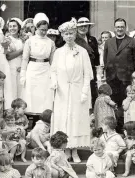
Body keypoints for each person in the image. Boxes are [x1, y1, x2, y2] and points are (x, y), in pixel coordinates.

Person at [50, 18, 93, 163]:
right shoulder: (58, 52)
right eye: (66, 34)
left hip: (77, 90)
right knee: (64, 119)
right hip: (62, 91)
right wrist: (55, 82)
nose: (69, 36)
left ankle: (75, 150)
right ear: (62, 36)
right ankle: (66, 149)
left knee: (76, 119)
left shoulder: (82, 52)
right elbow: (53, 71)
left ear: (75, 34)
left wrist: (84, 92)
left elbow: (87, 74)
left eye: (71, 33)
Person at [20, 13, 56, 113]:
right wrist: (23, 74)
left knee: (45, 94)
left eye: (45, 30)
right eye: (42, 30)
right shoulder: (30, 41)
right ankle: (31, 117)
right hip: (32, 69)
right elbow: (25, 59)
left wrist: (53, 76)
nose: (44, 32)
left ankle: (44, 116)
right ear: (36, 28)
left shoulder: (50, 42)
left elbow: (52, 61)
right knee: (32, 94)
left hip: (45, 69)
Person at [76, 17, 100, 108]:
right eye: (81, 26)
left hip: (90, 69)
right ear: (77, 28)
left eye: (85, 26)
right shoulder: (74, 39)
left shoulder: (92, 39)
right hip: (78, 70)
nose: (83, 28)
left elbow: (96, 57)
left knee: (92, 93)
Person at [6, 18, 24, 99]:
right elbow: (8, 56)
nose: (12, 28)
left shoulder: (22, 40)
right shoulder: (7, 40)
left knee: (21, 89)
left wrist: (23, 66)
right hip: (11, 66)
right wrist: (22, 50)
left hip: (21, 66)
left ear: (19, 27)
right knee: (12, 89)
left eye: (14, 26)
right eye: (10, 26)